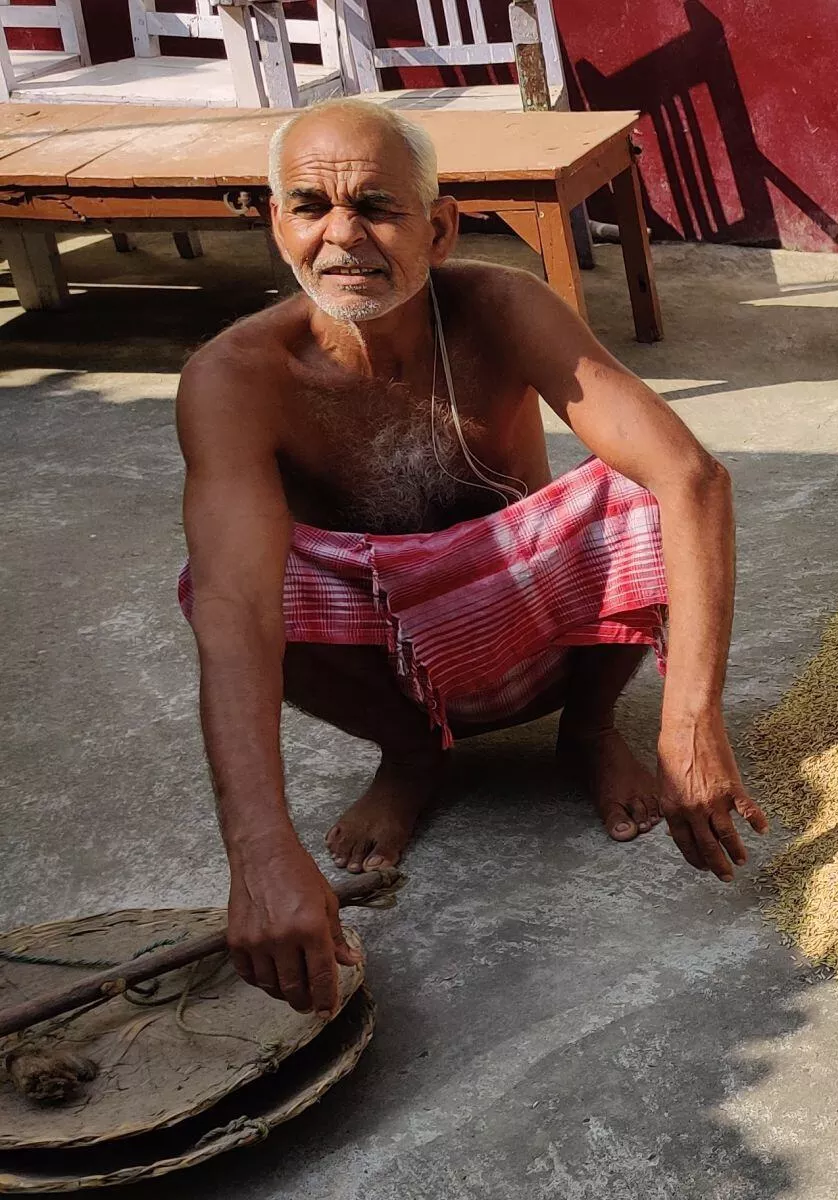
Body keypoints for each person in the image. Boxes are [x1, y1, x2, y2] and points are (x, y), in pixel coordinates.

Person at [175, 98, 766, 1017]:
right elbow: (235, 608)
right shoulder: (237, 375)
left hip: (532, 624)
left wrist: (690, 724)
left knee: (640, 496)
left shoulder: (501, 307)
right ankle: (413, 755)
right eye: (310, 207)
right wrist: (258, 848)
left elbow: (692, 477)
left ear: (440, 228)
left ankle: (587, 731)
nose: (343, 237)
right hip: (383, 653)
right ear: (274, 225)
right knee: (232, 582)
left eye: (377, 206)